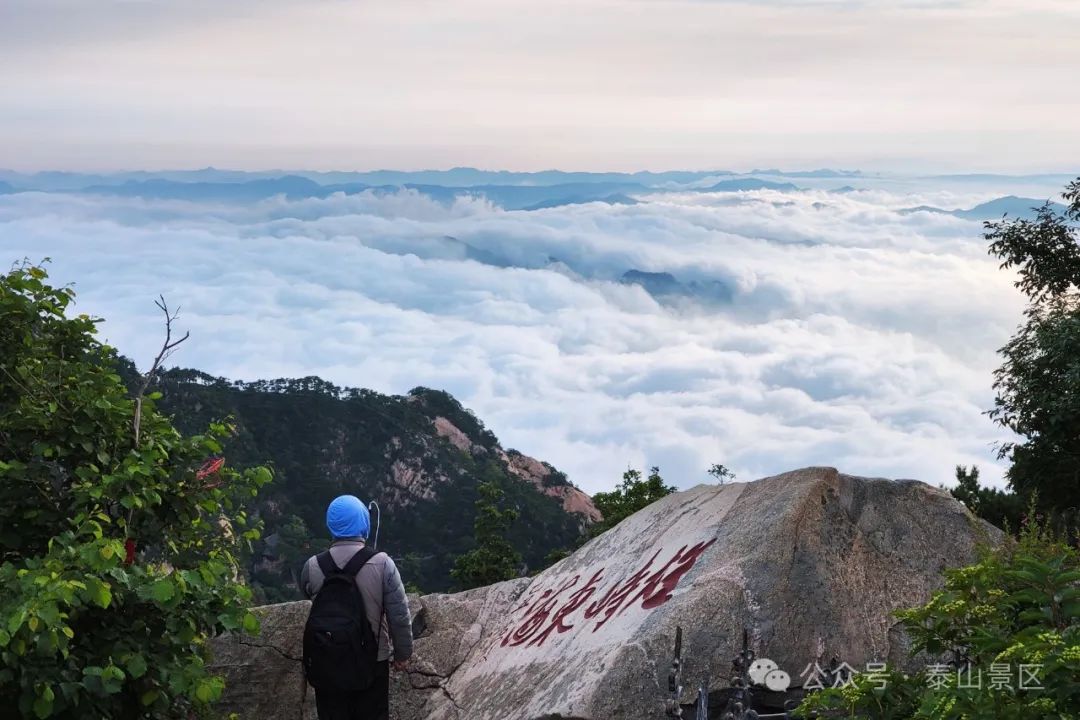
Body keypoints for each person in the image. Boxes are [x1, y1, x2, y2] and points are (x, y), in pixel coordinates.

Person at [300, 495, 413, 720]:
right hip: (372, 661)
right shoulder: (383, 564)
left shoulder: (312, 565)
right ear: (364, 522)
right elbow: (398, 616)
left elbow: (308, 598)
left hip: (326, 657)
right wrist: (403, 654)